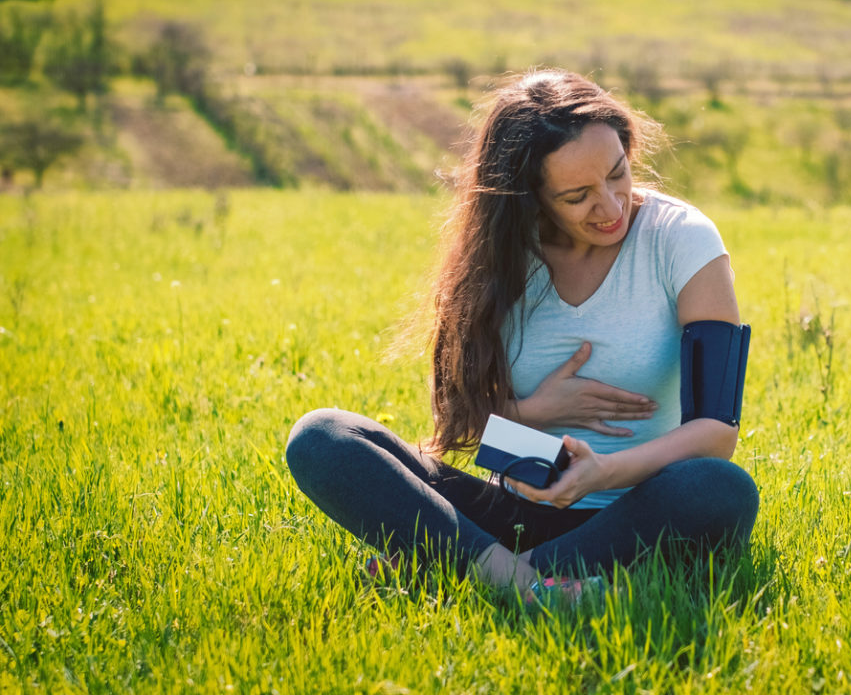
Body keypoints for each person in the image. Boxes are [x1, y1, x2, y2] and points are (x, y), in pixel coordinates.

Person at [285, 69, 758, 602]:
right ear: (529, 198)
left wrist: (599, 474)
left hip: (638, 509)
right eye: (578, 196)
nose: (610, 206)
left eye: (617, 172)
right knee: (322, 437)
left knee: (721, 489)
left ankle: (471, 575)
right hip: (511, 510)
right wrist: (533, 413)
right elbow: (458, 424)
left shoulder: (684, 239)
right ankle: (531, 587)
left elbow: (717, 433)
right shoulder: (497, 255)